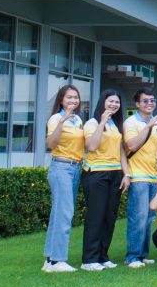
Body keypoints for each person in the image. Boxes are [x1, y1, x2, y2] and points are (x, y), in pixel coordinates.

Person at [80, 90, 129, 271]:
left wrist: (126, 174)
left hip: (115, 173)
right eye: (110, 101)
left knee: (109, 216)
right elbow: (91, 146)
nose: (114, 105)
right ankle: (89, 259)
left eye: (117, 102)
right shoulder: (92, 123)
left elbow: (120, 151)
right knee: (96, 216)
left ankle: (102, 256)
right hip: (96, 173)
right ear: (103, 102)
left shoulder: (115, 124)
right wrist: (102, 122)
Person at [43, 84, 86, 273]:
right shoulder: (56, 118)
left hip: (75, 168)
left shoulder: (78, 119)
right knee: (65, 213)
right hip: (61, 167)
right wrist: (62, 121)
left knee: (59, 213)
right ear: (61, 100)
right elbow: (51, 144)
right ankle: (58, 260)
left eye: (76, 97)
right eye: (69, 97)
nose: (73, 100)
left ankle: (50, 259)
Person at [123, 88, 157, 269]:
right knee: (138, 217)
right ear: (137, 104)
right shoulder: (131, 122)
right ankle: (132, 257)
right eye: (145, 101)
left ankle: (142, 254)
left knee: (149, 218)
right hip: (137, 175)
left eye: (152, 100)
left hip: (153, 177)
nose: (149, 104)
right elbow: (131, 145)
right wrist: (148, 127)